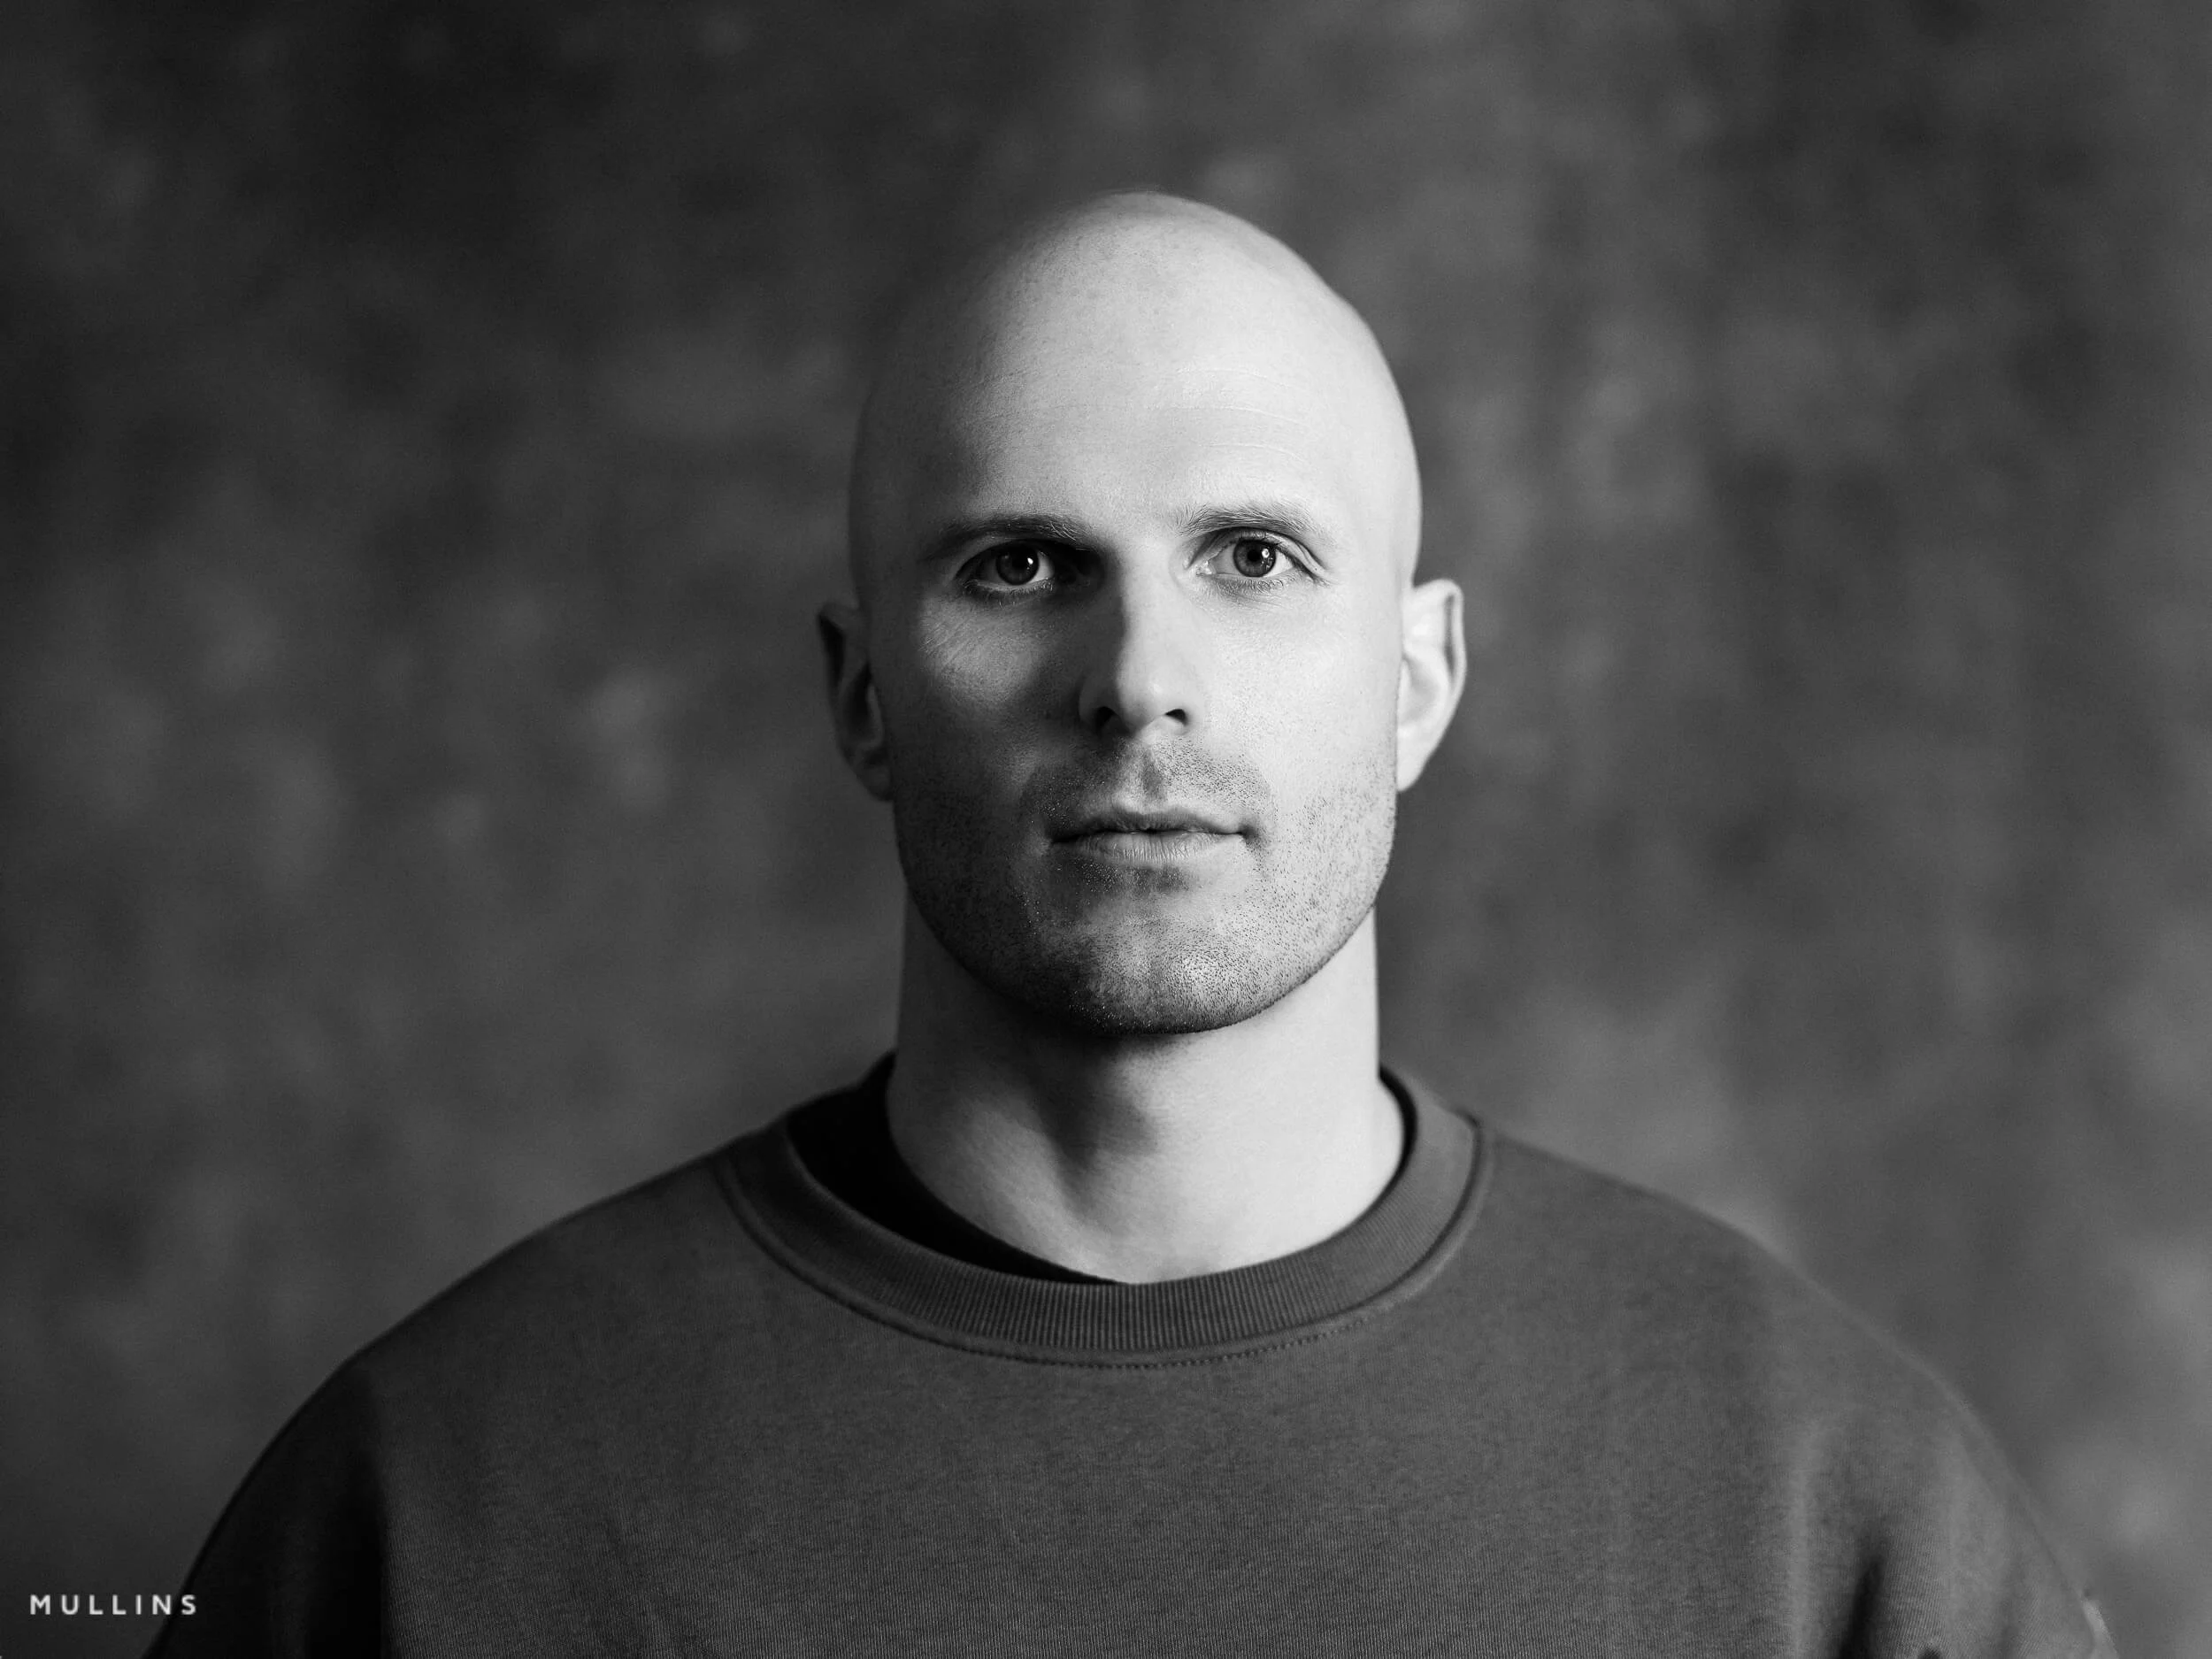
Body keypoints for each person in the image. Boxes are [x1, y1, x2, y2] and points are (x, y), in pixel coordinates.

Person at [150, 191, 2111, 1657]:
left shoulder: (1828, 1515)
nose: (1137, 679)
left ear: (1419, 678)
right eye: (1018, 568)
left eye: (1251, 559)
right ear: (858, 694)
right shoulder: (431, 1515)